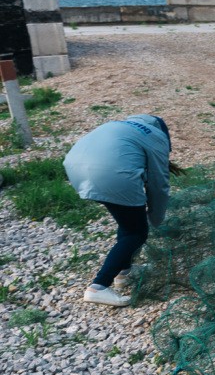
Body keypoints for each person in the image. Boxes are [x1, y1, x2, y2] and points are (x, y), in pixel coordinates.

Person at [63, 114, 181, 307]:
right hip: (111, 174)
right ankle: (98, 286)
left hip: (75, 168)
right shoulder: (156, 136)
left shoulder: (121, 125)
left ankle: (124, 271)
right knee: (136, 233)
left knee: (127, 222)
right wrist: (155, 220)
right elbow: (159, 184)